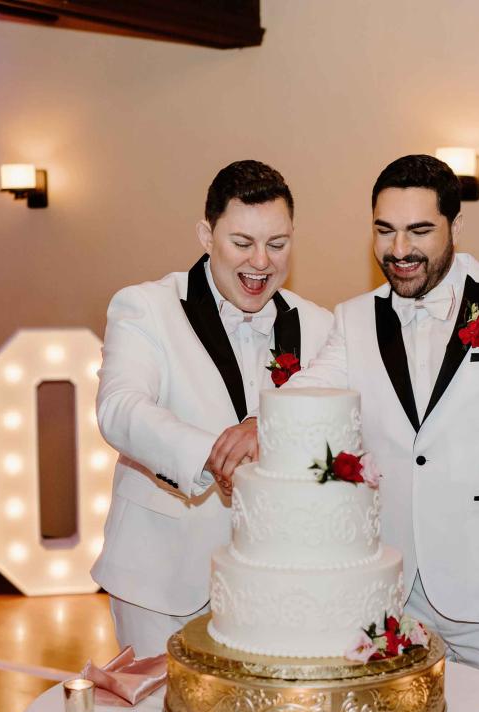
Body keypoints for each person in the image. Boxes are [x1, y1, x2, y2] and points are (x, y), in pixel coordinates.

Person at [290, 154, 479, 700]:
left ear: (455, 226)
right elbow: (304, 398)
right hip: (396, 594)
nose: (400, 249)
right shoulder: (354, 318)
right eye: (385, 231)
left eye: (419, 230)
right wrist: (249, 426)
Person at [92, 160, 335, 655]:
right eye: (242, 243)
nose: (261, 262)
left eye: (278, 244)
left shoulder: (319, 325)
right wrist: (214, 454)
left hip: (276, 581)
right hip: (161, 578)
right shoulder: (146, 308)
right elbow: (120, 407)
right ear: (207, 234)